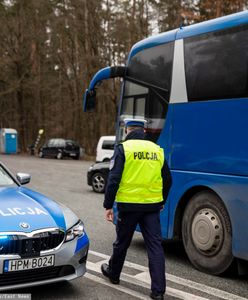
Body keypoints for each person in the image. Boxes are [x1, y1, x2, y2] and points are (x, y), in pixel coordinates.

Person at [101, 118, 172, 300]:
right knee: (155, 247)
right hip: (151, 208)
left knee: (122, 243)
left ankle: (114, 274)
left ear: (127, 130)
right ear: (144, 131)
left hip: (128, 207)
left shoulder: (124, 148)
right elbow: (168, 179)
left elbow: (114, 179)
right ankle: (158, 292)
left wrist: (108, 205)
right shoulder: (157, 150)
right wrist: (161, 200)